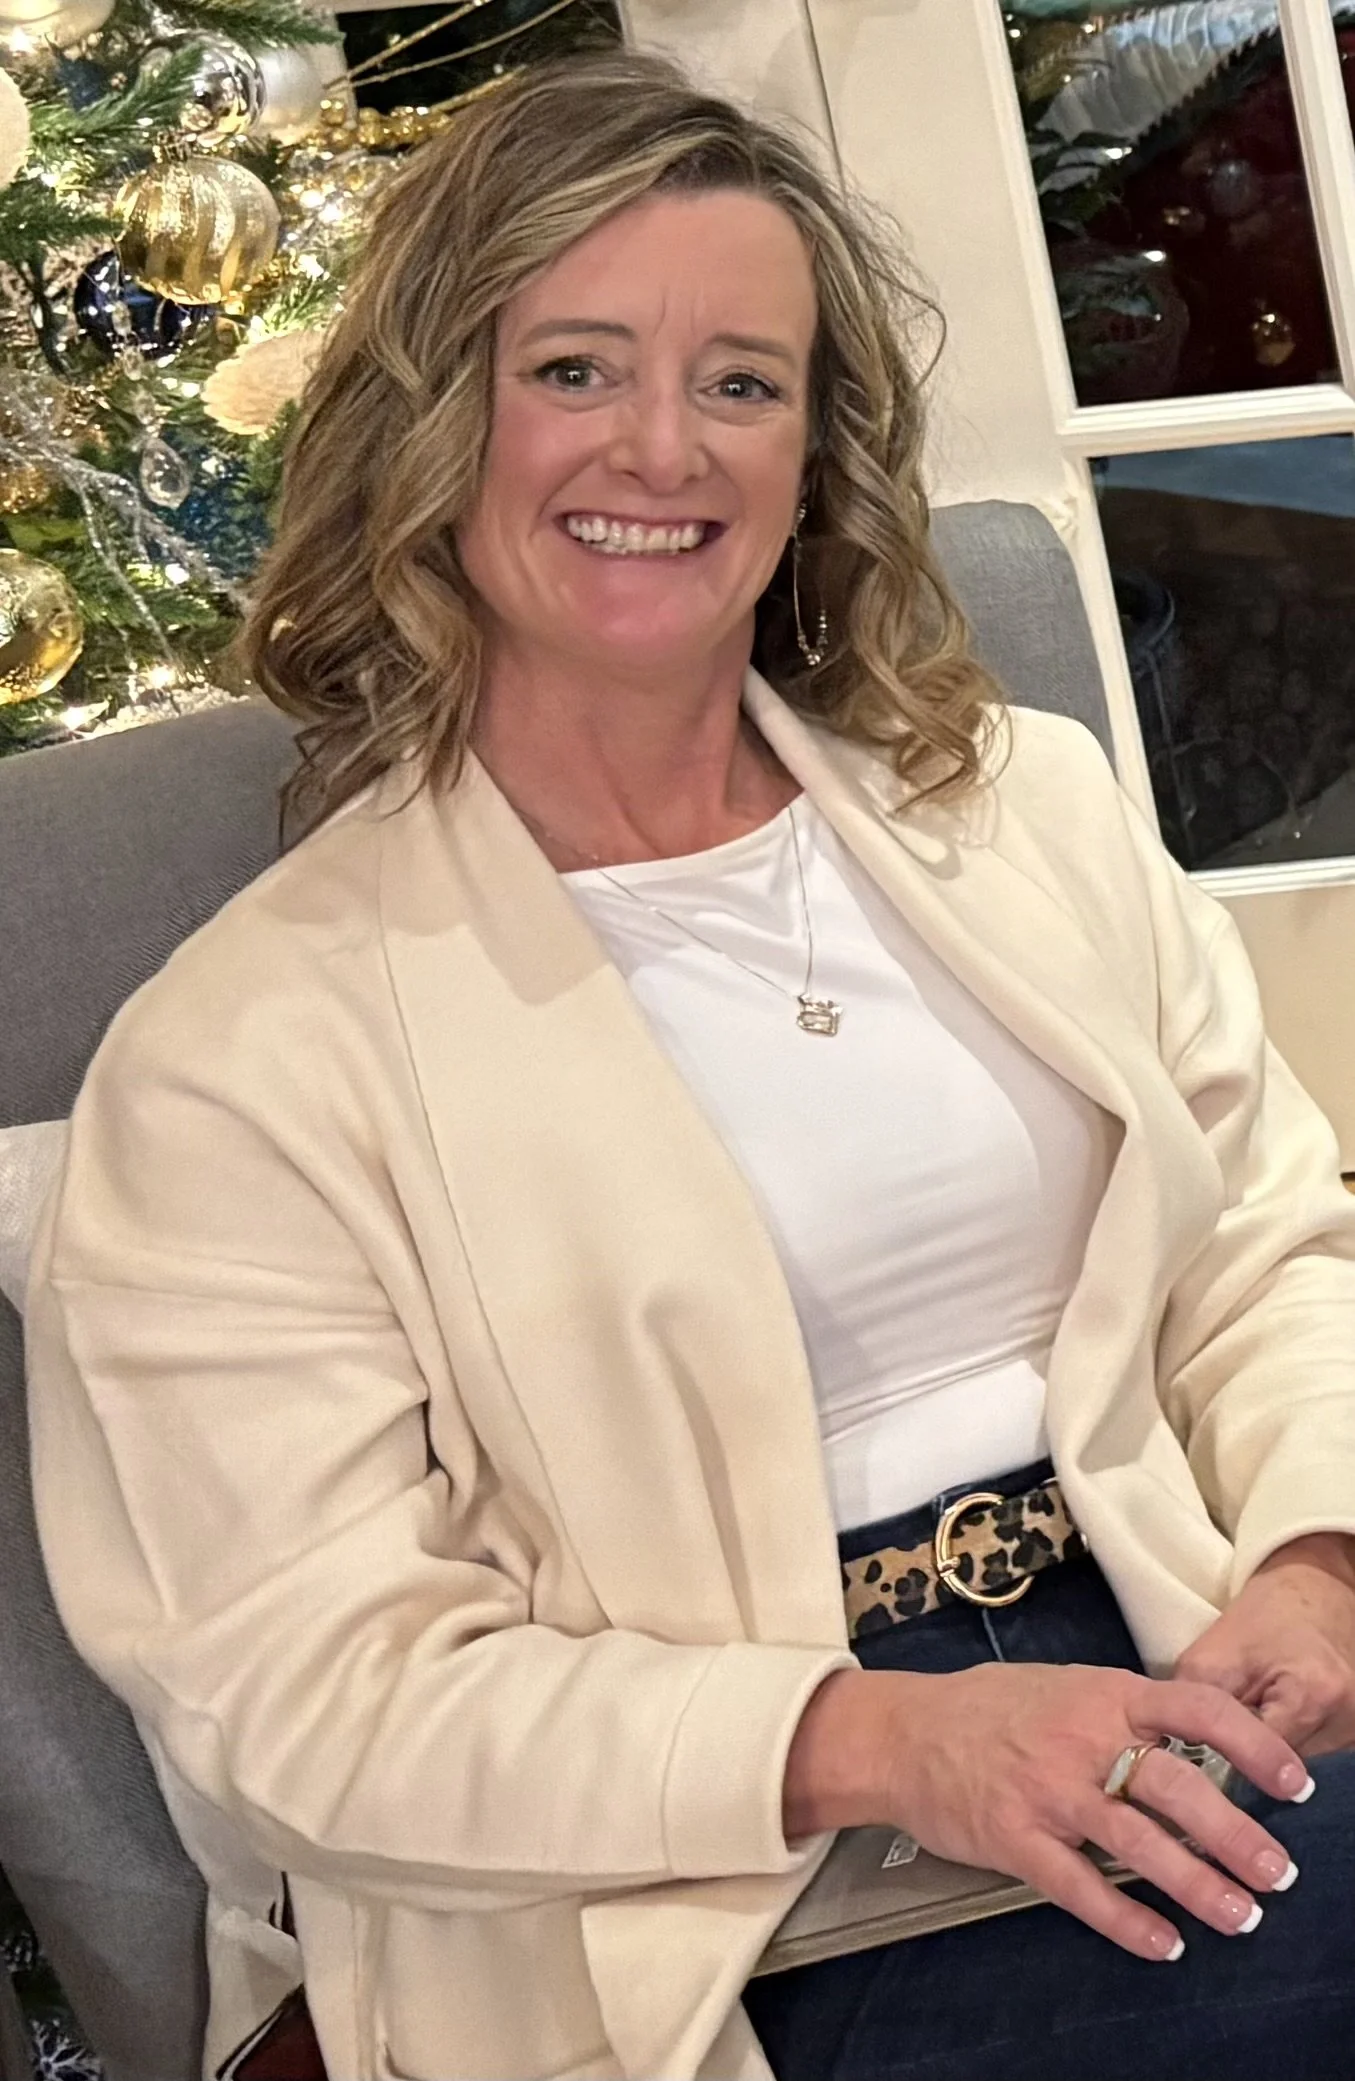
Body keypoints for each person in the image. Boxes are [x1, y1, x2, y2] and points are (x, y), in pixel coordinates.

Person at [23, 47, 1355, 2081]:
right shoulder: (239, 1062)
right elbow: (303, 1686)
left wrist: (1315, 1556)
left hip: (1184, 1651)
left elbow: (1261, 1243)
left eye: (740, 379)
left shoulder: (1025, 812)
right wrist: (870, 1733)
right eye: (571, 367)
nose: (662, 444)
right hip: (708, 1884)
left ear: (814, 447)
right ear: (432, 418)